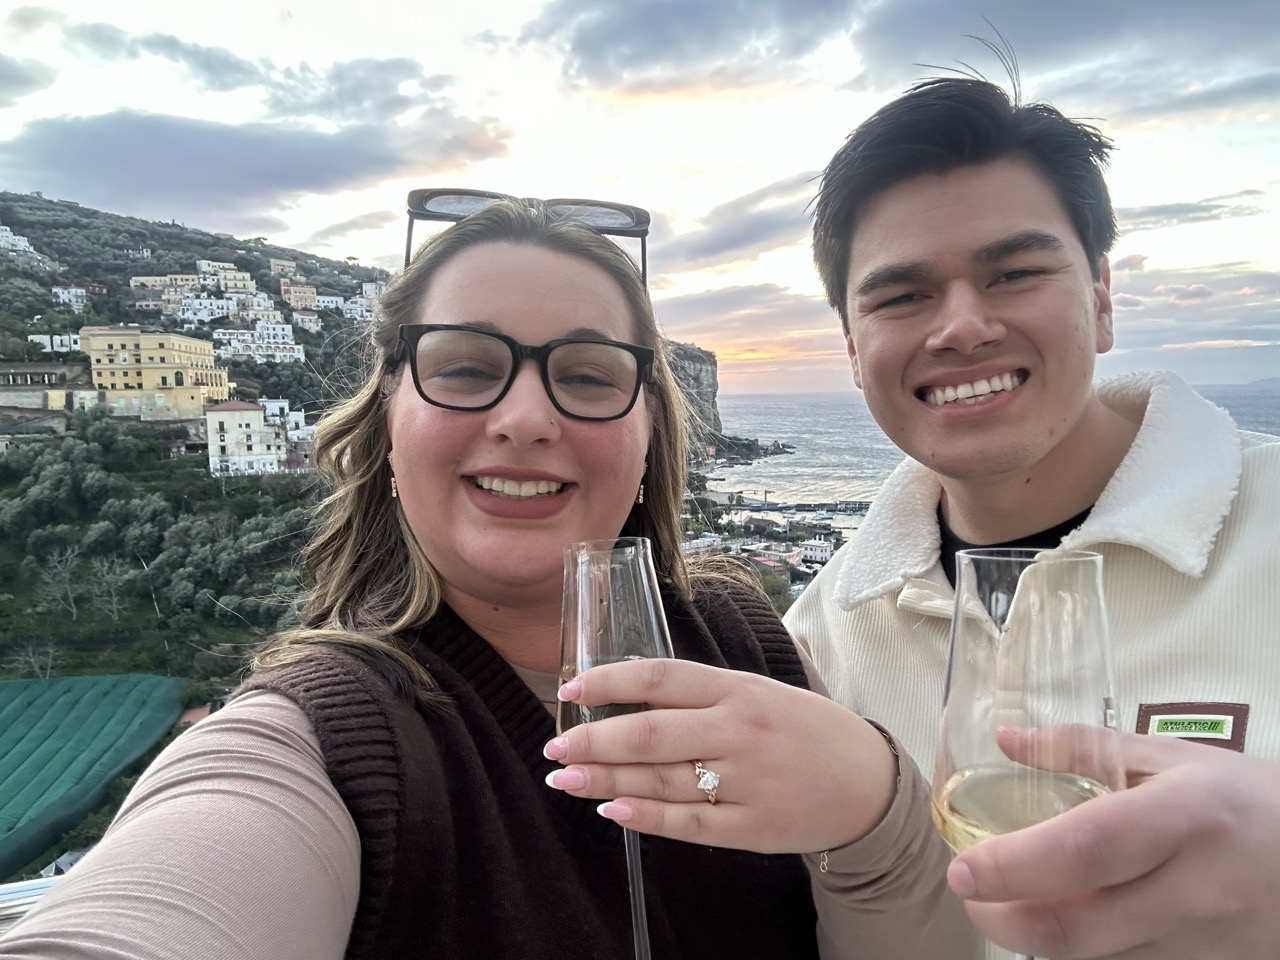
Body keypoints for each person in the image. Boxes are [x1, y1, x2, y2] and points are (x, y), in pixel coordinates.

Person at [0, 199, 976, 959]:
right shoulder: (325, 735)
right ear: (388, 422)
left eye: (588, 376)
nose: (522, 417)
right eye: (465, 368)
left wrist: (879, 815)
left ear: (648, 433)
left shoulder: (740, 636)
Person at [784, 75, 1280, 959]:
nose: (963, 327)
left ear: (1100, 299)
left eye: (1014, 273)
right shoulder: (820, 641)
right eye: (901, 296)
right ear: (855, 351)